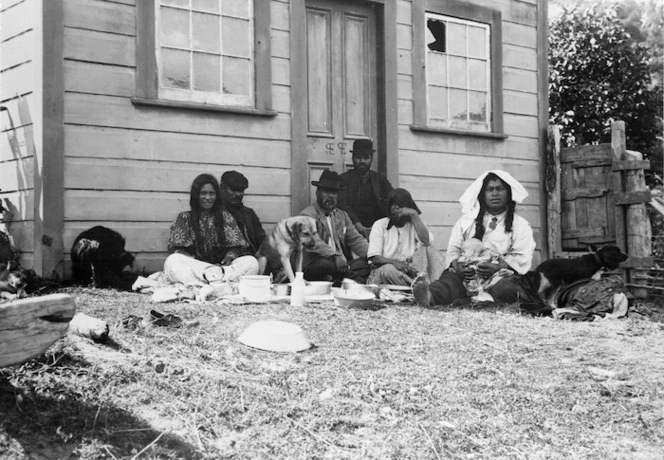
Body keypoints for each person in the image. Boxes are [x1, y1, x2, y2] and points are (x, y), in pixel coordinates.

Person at [413, 170, 536, 306]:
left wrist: (497, 267)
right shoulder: (466, 221)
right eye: (489, 189)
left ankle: (480, 300)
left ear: (508, 193)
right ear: (482, 195)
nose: (495, 193)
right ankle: (428, 297)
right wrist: (459, 267)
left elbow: (522, 256)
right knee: (447, 283)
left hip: (499, 276)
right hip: (466, 275)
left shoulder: (520, 225)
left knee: (506, 289)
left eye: (500, 189)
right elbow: (453, 250)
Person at [164, 174, 259, 285]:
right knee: (172, 261)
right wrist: (203, 265)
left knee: (251, 262)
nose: (208, 198)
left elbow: (236, 248)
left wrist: (229, 258)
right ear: (196, 195)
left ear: (217, 196)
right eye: (203, 193)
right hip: (199, 269)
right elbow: (179, 251)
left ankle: (207, 284)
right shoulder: (184, 218)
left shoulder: (226, 217)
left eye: (211, 193)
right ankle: (213, 284)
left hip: (222, 270)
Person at [299, 170, 370, 284]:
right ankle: (353, 280)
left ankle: (342, 279)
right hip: (315, 264)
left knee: (367, 263)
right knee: (326, 265)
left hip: (341, 264)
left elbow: (356, 240)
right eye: (326, 191)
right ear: (317, 192)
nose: (330, 196)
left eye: (334, 192)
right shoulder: (308, 215)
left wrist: (374, 255)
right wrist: (335, 256)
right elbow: (314, 243)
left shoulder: (342, 216)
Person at [367, 188, 444, 286]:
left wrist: (414, 215)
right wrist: (396, 263)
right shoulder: (380, 225)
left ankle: (428, 284)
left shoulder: (414, 224)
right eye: (392, 207)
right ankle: (420, 287)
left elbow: (426, 241)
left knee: (429, 249)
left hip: (408, 272)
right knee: (388, 269)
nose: (395, 210)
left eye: (399, 208)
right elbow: (375, 258)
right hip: (383, 273)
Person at [338, 139, 394, 238]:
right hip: (352, 228)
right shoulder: (344, 179)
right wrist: (358, 225)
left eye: (366, 157)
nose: (362, 161)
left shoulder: (379, 179)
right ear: (353, 158)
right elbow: (343, 205)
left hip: (377, 229)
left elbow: (393, 196)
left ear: (371, 159)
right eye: (358, 157)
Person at [220, 170, 267, 252]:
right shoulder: (214, 213)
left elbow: (262, 241)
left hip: (250, 259)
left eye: (241, 190)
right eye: (233, 190)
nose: (238, 194)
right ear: (222, 188)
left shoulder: (249, 214)